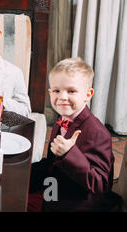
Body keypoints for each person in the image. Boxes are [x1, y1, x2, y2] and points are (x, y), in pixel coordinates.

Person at [28, 57, 115, 212]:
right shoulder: (61, 119)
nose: (62, 97)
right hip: (54, 190)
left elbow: (100, 184)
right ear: (50, 92)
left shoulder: (98, 133)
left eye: (71, 91)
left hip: (77, 203)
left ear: (88, 95)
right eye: (56, 91)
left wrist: (69, 153)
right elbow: (52, 163)